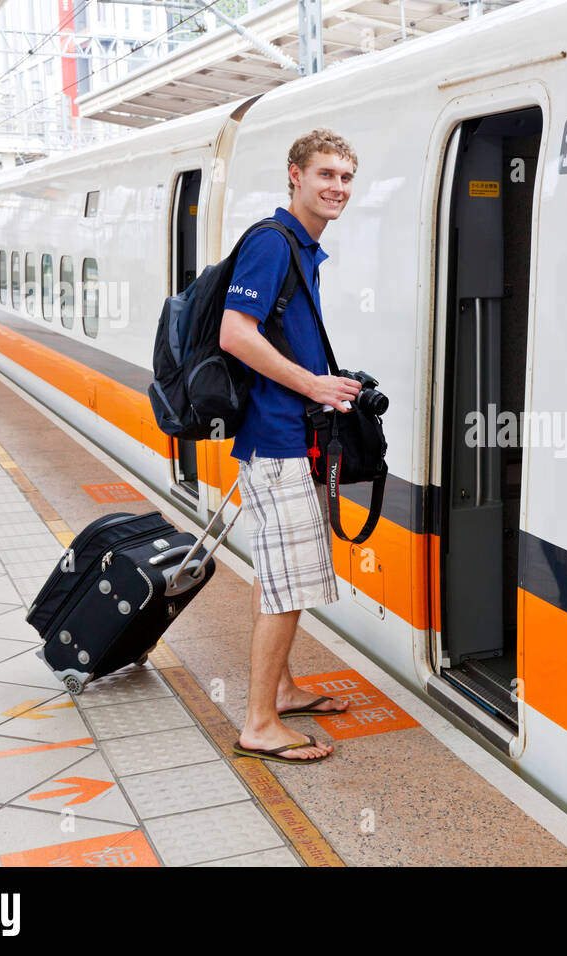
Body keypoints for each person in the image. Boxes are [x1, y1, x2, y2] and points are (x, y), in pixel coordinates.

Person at [218, 129, 363, 764]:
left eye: (346, 178)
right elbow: (235, 334)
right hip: (275, 443)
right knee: (292, 585)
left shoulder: (302, 249)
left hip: (286, 438)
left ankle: (280, 690)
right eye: (326, 174)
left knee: (278, 579)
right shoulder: (272, 245)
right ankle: (258, 725)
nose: (337, 187)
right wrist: (312, 385)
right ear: (294, 176)